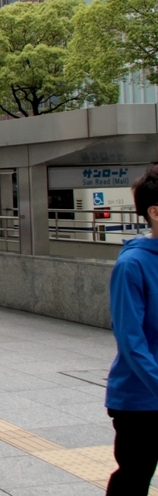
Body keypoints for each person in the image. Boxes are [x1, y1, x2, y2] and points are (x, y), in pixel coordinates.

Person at [105, 165, 158, 495]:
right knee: (134, 478)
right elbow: (130, 338)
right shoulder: (133, 265)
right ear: (154, 212)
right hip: (141, 400)